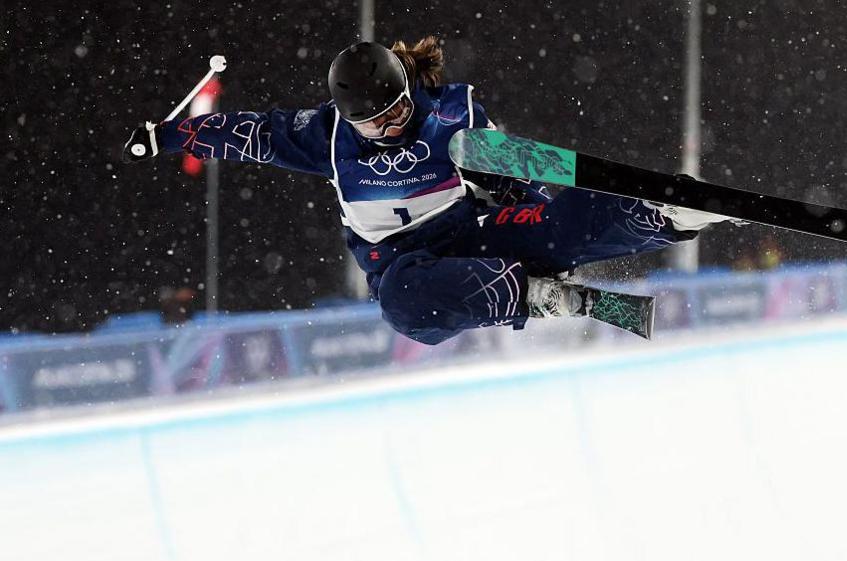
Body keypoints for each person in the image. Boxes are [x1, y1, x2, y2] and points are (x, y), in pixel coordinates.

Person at [124, 37, 735, 345]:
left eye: (398, 110)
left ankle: (670, 212)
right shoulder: (324, 136)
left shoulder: (449, 114)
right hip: (404, 264)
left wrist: (522, 197)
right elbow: (245, 134)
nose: (392, 127)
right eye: (376, 123)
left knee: (558, 222)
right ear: (350, 119)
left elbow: (519, 173)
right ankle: (538, 298)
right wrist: (167, 136)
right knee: (403, 306)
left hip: (470, 234)